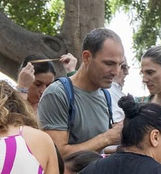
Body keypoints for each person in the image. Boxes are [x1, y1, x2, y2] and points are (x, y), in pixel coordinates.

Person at [39, 28, 125, 157]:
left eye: (120, 65)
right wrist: (107, 138)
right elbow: (57, 155)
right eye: (109, 63)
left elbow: (98, 149)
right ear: (87, 57)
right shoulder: (58, 94)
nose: (116, 72)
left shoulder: (105, 95)